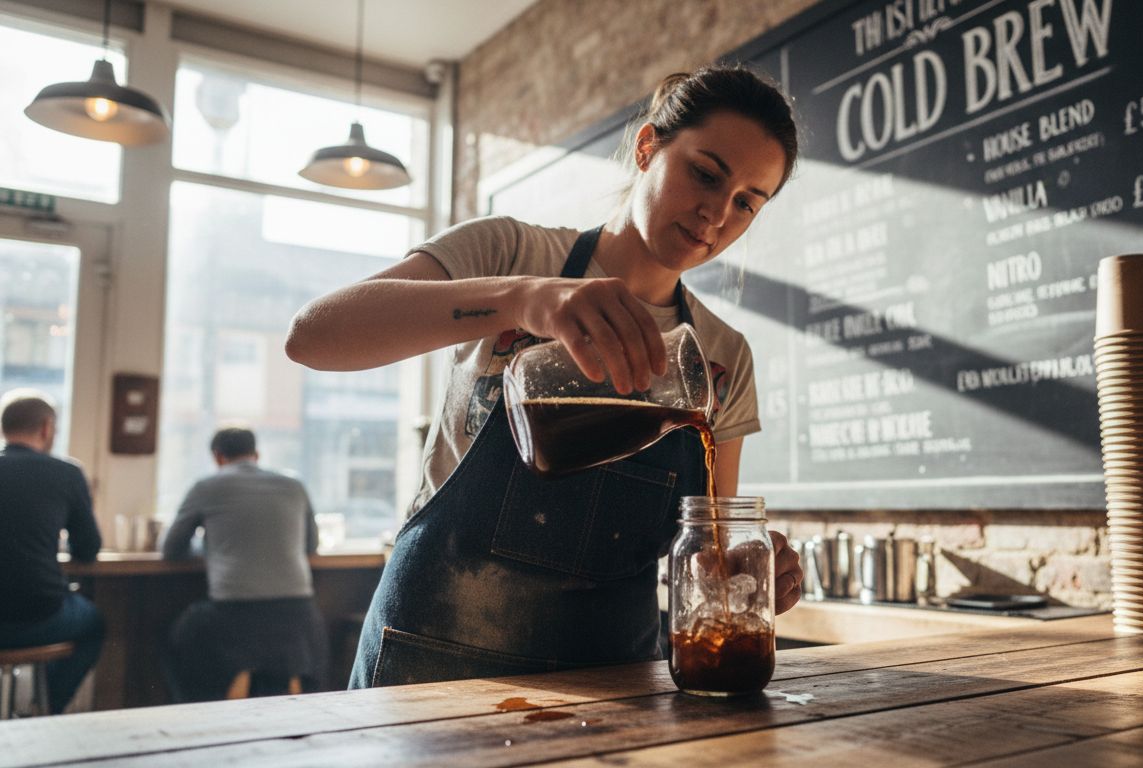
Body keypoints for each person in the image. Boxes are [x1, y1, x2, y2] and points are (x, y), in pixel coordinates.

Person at [285, 65, 806, 688]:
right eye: (705, 173)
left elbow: (711, 543)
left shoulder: (722, 356)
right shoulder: (509, 254)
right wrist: (522, 300)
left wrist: (753, 570)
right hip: (437, 654)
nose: (716, 214)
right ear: (647, 148)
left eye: (747, 201)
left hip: (615, 677)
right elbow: (313, 336)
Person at [160, 427, 327, 701]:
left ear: (217, 457)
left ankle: (199, 719)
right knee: (273, 657)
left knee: (179, 637)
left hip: (232, 617)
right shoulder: (294, 485)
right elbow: (311, 546)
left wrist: (210, 546)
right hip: (299, 616)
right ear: (256, 454)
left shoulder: (206, 486)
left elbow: (172, 549)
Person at [0, 390, 103, 715]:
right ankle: (42, 711)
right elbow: (88, 550)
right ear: (46, 428)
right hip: (39, 616)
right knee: (94, 623)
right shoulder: (67, 473)